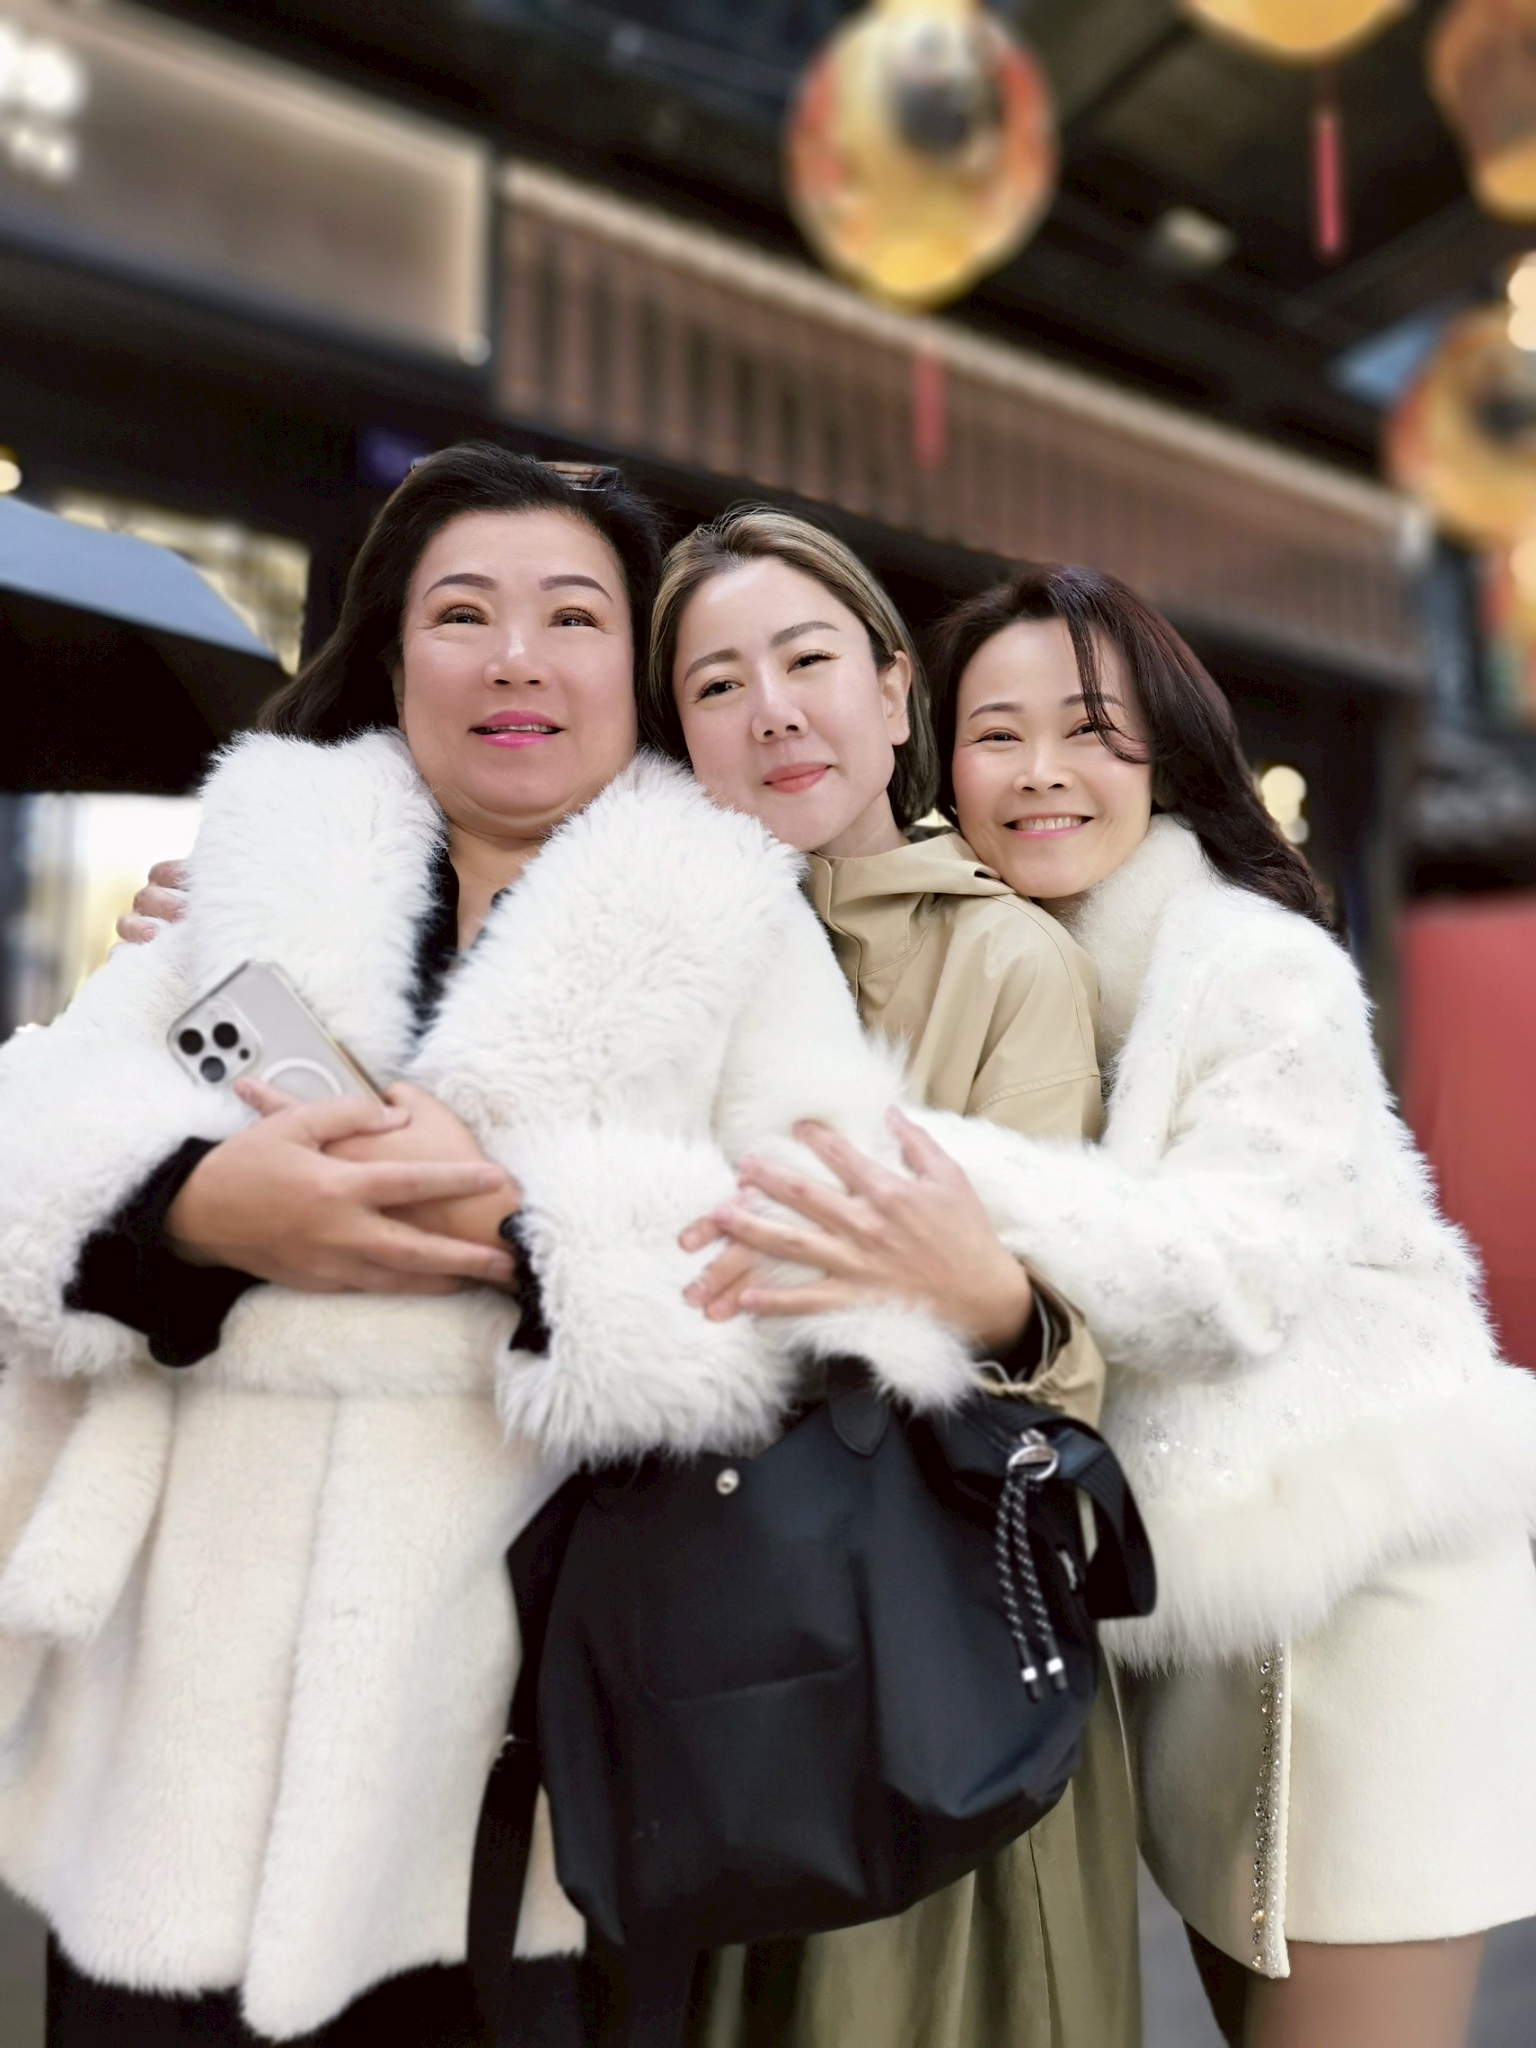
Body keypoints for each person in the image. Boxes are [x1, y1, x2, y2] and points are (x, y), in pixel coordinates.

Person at [0, 448, 990, 2047]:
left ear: (634, 673)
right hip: (168, 1756)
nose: (516, 658)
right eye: (462, 613)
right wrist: (186, 1209)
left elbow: (849, 1275)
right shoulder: (250, 863)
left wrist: (526, 1233)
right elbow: (26, 1145)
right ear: (395, 658)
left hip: (536, 1775)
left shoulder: (733, 913)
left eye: (573, 617)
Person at [696, 559, 1536, 2048]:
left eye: (1089, 730)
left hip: (1359, 1613)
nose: (1041, 772)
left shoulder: (1259, 968)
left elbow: (1226, 1276)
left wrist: (913, 1163)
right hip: (1194, 1628)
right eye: (998, 732)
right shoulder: (1022, 963)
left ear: (1167, 756)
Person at [639, 508, 1139, 2048]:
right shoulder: (654, 944)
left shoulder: (1005, 961)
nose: (772, 711)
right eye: (717, 685)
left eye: (807, 661)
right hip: (703, 1637)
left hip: (928, 1641)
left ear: (895, 690)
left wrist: (958, 1290)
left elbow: (1055, 1339)